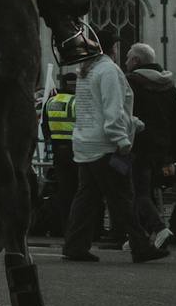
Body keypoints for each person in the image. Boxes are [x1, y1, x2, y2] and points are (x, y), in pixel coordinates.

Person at [61, 46, 168, 263]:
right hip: (106, 146)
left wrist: (132, 123)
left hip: (85, 144)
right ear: (111, 49)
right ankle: (140, 246)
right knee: (123, 197)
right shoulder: (108, 70)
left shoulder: (85, 70)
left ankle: (74, 246)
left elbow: (93, 108)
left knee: (86, 198)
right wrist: (122, 139)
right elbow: (112, 109)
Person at [123, 44, 176, 250]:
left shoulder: (132, 83)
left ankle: (159, 229)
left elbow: (127, 115)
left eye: (128, 58)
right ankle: (139, 235)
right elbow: (175, 121)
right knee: (146, 191)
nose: (126, 62)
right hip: (162, 148)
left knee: (137, 192)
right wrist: (172, 154)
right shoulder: (169, 85)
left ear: (136, 61)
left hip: (139, 145)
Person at [38, 73, 77, 240]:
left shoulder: (51, 102)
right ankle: (78, 228)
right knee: (79, 191)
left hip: (57, 152)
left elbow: (45, 128)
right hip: (76, 151)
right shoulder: (77, 102)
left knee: (64, 191)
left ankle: (62, 228)